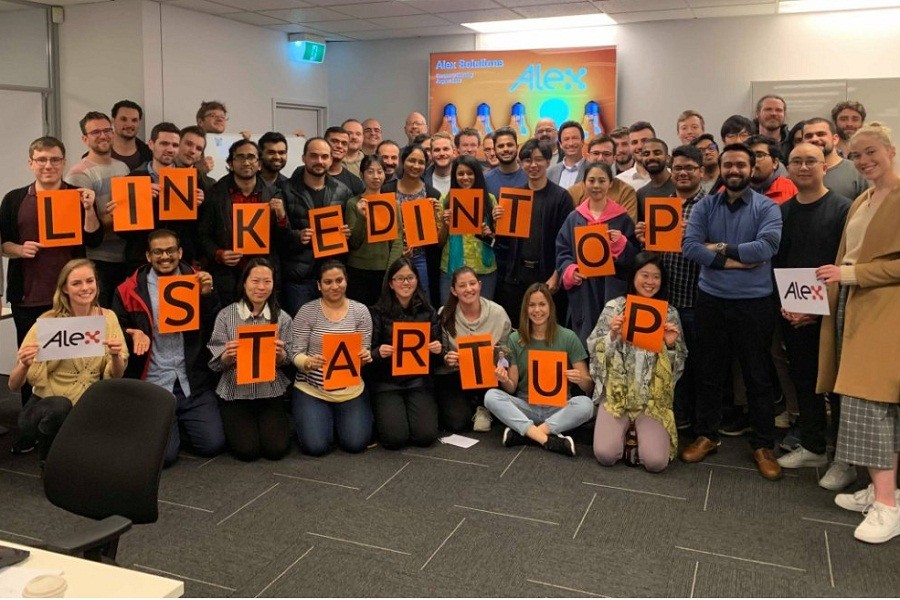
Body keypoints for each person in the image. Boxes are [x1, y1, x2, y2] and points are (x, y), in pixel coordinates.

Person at [815, 122, 900, 544]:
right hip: (854, 305)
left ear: (891, 151)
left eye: (871, 152)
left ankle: (886, 506)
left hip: (885, 312)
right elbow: (844, 257)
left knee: (869, 404)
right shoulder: (864, 200)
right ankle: (884, 491)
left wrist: (852, 275)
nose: (864, 161)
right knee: (875, 405)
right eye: (856, 155)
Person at [681, 143, 783, 480]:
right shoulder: (705, 206)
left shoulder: (767, 207)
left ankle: (763, 444)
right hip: (711, 300)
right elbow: (691, 247)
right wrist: (737, 261)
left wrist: (719, 248)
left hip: (755, 303)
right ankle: (707, 435)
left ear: (752, 168)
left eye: (741, 164)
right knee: (709, 371)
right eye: (728, 165)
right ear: (720, 169)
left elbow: (766, 248)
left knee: (757, 374)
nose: (734, 170)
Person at [1, 136, 103, 406]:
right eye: (42, 160)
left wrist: (89, 208)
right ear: (31, 163)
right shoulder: (14, 199)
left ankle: (75, 419)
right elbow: (4, 244)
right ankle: (31, 418)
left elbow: (94, 239)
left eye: (55, 159)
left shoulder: (78, 195)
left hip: (73, 297)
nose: (48, 165)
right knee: (31, 361)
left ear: (64, 162)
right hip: (28, 297)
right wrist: (19, 249)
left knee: (77, 362)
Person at [113, 229, 225, 466]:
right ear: (148, 256)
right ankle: (163, 423)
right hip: (154, 380)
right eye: (158, 252)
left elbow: (214, 328)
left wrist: (208, 296)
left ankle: (177, 423)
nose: (165, 256)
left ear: (180, 252)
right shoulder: (128, 290)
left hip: (191, 381)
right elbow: (115, 328)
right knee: (165, 457)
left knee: (212, 444)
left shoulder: (198, 280)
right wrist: (132, 334)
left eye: (170, 250)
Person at [774, 143, 851, 477]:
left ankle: (845, 459)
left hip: (834, 313)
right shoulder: (782, 212)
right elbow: (777, 262)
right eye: (796, 161)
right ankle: (814, 447)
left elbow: (847, 261)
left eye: (810, 161)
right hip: (794, 312)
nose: (803, 167)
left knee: (838, 386)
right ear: (788, 167)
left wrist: (821, 309)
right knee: (804, 379)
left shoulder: (843, 209)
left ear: (825, 166)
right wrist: (787, 306)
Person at [9, 259, 127, 461]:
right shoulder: (48, 322)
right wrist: (25, 365)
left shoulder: (108, 318)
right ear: (64, 288)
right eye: (76, 283)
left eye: (89, 281)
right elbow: (13, 385)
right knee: (61, 406)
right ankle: (47, 460)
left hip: (87, 403)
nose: (85, 288)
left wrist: (116, 356)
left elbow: (116, 375)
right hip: (46, 405)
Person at [588, 252, 687, 471]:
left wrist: (670, 346)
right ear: (633, 276)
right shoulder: (614, 308)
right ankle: (626, 435)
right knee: (605, 454)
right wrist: (612, 336)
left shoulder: (669, 314)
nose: (650, 282)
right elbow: (594, 350)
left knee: (656, 463)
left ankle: (635, 434)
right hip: (617, 397)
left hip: (651, 401)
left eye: (656, 277)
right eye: (645, 275)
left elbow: (678, 366)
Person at [485, 283, 594, 457]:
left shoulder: (568, 337)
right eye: (532, 305)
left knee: (586, 405)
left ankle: (528, 434)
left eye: (542, 304)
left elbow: (588, 386)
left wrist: (580, 378)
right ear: (526, 309)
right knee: (491, 396)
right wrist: (504, 380)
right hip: (526, 405)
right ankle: (547, 439)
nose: (537, 310)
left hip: (559, 407)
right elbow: (511, 388)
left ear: (550, 307)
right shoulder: (515, 338)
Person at [207, 258, 292, 461]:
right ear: (244, 283)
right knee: (247, 451)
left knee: (276, 450)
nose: (261, 287)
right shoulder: (226, 315)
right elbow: (214, 363)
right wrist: (226, 356)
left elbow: (289, 358)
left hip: (269, 389)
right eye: (255, 281)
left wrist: (281, 356)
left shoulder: (282, 318)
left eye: (267, 281)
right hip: (235, 391)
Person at [290, 261, 373, 456]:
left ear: (346, 281)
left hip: (350, 390)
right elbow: (294, 352)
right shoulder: (307, 311)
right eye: (328, 282)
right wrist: (307, 362)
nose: (334, 286)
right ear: (319, 285)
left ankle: (336, 421)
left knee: (356, 444)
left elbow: (364, 349)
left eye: (339, 280)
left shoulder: (361, 311)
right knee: (316, 447)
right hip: (312, 389)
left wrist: (365, 356)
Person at [494, 139, 573, 329]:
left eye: (539, 159)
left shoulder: (561, 197)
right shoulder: (513, 195)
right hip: (517, 275)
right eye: (528, 160)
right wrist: (498, 221)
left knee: (548, 329)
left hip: (547, 275)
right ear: (521, 163)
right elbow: (504, 241)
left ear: (548, 161)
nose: (533, 165)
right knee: (518, 328)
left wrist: (557, 275)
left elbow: (567, 242)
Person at [556, 161, 637, 342]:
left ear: (610, 183)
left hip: (612, 287)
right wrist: (569, 270)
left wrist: (622, 244)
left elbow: (635, 258)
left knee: (611, 337)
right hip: (583, 288)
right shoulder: (574, 218)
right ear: (584, 183)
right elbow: (563, 250)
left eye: (602, 180)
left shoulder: (622, 219)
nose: (596, 185)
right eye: (591, 180)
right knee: (583, 338)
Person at [367, 258, 441, 450]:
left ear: (417, 280)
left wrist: (438, 350)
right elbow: (367, 356)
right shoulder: (377, 312)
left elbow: (439, 355)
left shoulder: (428, 311)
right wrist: (378, 353)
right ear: (391, 283)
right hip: (387, 382)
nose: (406, 283)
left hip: (418, 381)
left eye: (410, 277)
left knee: (425, 436)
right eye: (400, 278)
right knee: (395, 439)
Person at [199, 139, 279, 306]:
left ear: (259, 164)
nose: (246, 162)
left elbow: (282, 238)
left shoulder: (274, 193)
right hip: (226, 274)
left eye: (251, 157)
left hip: (262, 273)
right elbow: (202, 235)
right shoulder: (214, 194)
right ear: (231, 163)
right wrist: (219, 254)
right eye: (240, 157)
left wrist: (282, 216)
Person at [280, 137, 353, 316]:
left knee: (331, 327)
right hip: (299, 277)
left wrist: (347, 233)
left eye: (324, 156)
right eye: (314, 156)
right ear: (303, 158)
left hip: (331, 275)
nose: (319, 161)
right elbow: (276, 235)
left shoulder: (343, 191)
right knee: (301, 327)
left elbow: (351, 236)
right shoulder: (285, 190)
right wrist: (297, 236)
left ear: (331, 159)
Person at [66, 111, 131, 309]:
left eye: (107, 130)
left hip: (124, 256)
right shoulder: (78, 174)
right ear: (85, 139)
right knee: (101, 316)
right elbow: (83, 228)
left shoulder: (123, 167)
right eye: (95, 132)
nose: (103, 135)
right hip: (98, 261)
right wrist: (116, 217)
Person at [436, 266, 511, 433]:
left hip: (491, 376)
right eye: (462, 285)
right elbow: (442, 352)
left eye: (472, 283)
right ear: (453, 291)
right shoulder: (445, 313)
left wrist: (497, 356)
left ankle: (484, 407)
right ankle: (474, 406)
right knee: (457, 423)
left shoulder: (498, 313)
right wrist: (447, 358)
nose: (468, 289)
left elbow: (508, 353)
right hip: (457, 375)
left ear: (480, 285)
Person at [381, 144, 441, 301]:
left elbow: (437, 236)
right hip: (392, 256)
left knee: (422, 300)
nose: (416, 166)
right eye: (411, 160)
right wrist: (399, 251)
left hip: (421, 258)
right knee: (392, 300)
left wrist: (437, 216)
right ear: (403, 161)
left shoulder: (432, 194)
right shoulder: (386, 190)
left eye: (421, 162)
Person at [438, 155, 497, 303]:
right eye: (460, 173)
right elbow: (439, 243)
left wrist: (488, 234)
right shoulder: (445, 200)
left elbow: (497, 241)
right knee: (449, 313)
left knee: (484, 314)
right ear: (454, 176)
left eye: (470, 173)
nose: (465, 177)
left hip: (483, 269)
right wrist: (445, 225)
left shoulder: (490, 200)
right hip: (452, 269)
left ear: (477, 175)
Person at [346, 155, 403, 306]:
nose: (376, 176)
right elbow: (353, 242)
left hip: (384, 269)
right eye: (370, 172)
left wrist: (391, 270)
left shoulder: (393, 204)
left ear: (385, 175)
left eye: (379, 172)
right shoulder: (353, 203)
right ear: (362, 174)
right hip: (357, 270)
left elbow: (397, 240)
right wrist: (361, 218)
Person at [802, 117, 869, 201]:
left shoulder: (857, 171)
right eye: (808, 136)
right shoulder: (798, 173)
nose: (814, 139)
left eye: (821, 134)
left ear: (835, 139)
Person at [109, 99, 152, 171]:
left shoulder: (150, 155)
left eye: (134, 120)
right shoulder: (97, 155)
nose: (129, 124)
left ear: (139, 123)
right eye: (123, 119)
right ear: (113, 121)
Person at [325, 126, 365, 196]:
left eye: (344, 143)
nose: (339, 146)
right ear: (324, 143)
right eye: (334, 141)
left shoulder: (356, 182)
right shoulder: (308, 174)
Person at [616, 121, 655, 191]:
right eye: (634, 142)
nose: (640, 146)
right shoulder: (619, 182)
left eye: (644, 141)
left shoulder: (671, 177)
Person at [547, 121, 587, 188]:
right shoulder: (550, 173)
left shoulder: (593, 169)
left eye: (575, 138)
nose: (571, 143)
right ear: (560, 144)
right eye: (566, 139)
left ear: (582, 141)